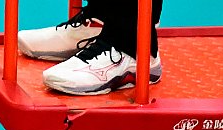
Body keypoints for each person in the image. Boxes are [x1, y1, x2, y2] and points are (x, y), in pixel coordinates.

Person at [20, 0, 164, 96]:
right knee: (103, 10)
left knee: (130, 30)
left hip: (131, 42)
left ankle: (130, 45)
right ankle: (99, 20)